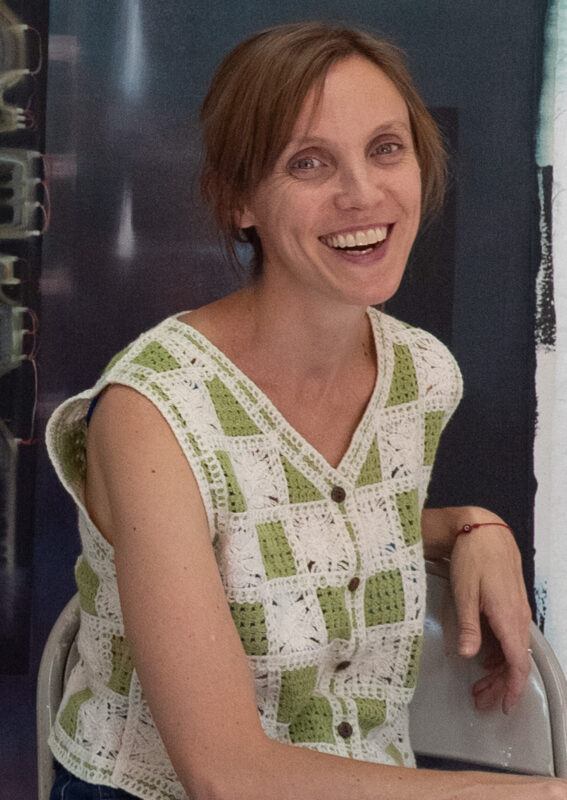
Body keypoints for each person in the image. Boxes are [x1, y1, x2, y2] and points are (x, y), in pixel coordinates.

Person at [46, 21, 567, 800]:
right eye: (308, 162)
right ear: (237, 201)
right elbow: (227, 775)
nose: (361, 193)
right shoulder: (152, 409)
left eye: (385, 148)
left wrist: (470, 524)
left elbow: (307, 531)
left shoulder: (420, 375)